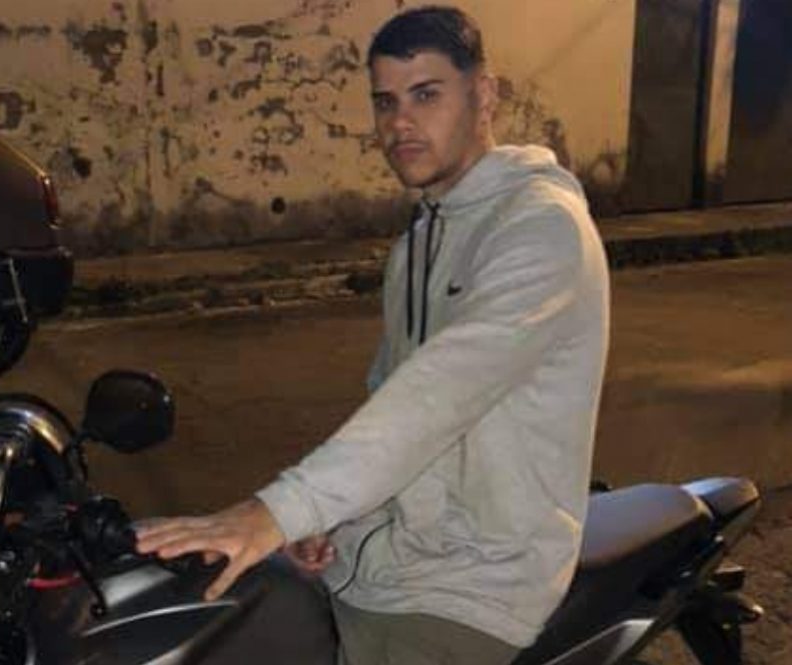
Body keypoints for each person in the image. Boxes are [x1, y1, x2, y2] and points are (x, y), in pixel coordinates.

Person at [136, 5, 610, 664]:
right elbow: (391, 399)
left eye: (426, 95)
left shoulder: (540, 230)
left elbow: (437, 396)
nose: (400, 123)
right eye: (386, 102)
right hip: (379, 560)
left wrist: (278, 510)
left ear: (485, 95)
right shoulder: (417, 244)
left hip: (471, 584)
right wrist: (334, 517)